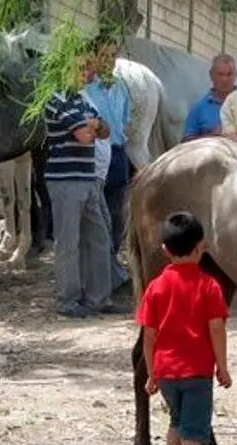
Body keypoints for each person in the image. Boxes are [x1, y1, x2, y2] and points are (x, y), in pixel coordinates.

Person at [136, 211, 231, 445]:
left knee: (177, 422)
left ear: (165, 250)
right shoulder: (210, 286)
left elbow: (148, 336)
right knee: (194, 434)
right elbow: (216, 329)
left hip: (165, 373)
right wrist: (223, 366)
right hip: (197, 373)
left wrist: (151, 373)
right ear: (201, 246)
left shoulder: (155, 289)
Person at [44, 54, 123, 318]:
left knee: (99, 237)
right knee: (68, 241)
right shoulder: (58, 101)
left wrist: (96, 125)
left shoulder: (80, 100)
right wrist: (93, 126)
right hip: (66, 181)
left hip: (86, 179)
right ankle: (68, 300)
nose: (89, 74)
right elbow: (86, 137)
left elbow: (106, 130)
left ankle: (99, 297)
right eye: (83, 69)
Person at [82, 37, 131, 291]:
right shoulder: (88, 89)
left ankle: (111, 269)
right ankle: (99, 275)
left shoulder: (121, 87)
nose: (109, 61)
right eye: (104, 55)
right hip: (96, 158)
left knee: (117, 216)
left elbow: (125, 119)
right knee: (99, 219)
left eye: (113, 55)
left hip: (118, 155)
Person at [183, 54, 237, 142]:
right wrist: (211, 137)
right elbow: (186, 141)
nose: (225, 79)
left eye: (229, 74)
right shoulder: (199, 107)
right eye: (220, 74)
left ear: (235, 75)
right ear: (211, 75)